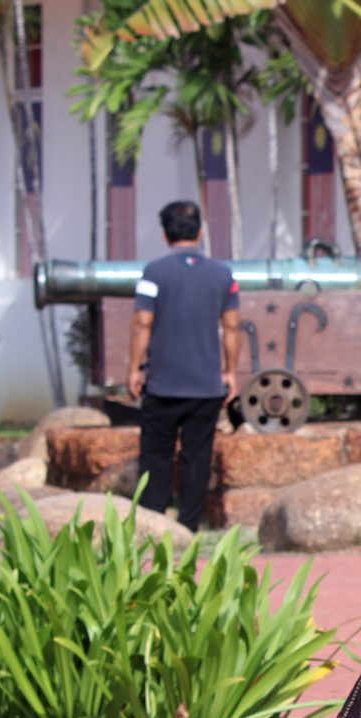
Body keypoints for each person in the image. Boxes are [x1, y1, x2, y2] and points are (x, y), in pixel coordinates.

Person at [128, 200, 242, 530]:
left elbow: (142, 322)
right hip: (206, 385)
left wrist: (135, 367)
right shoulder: (223, 276)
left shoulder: (153, 273)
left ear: (165, 235)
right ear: (200, 232)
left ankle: (152, 523)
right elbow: (232, 327)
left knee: (156, 456)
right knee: (198, 457)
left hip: (163, 383)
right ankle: (189, 526)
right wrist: (230, 372)